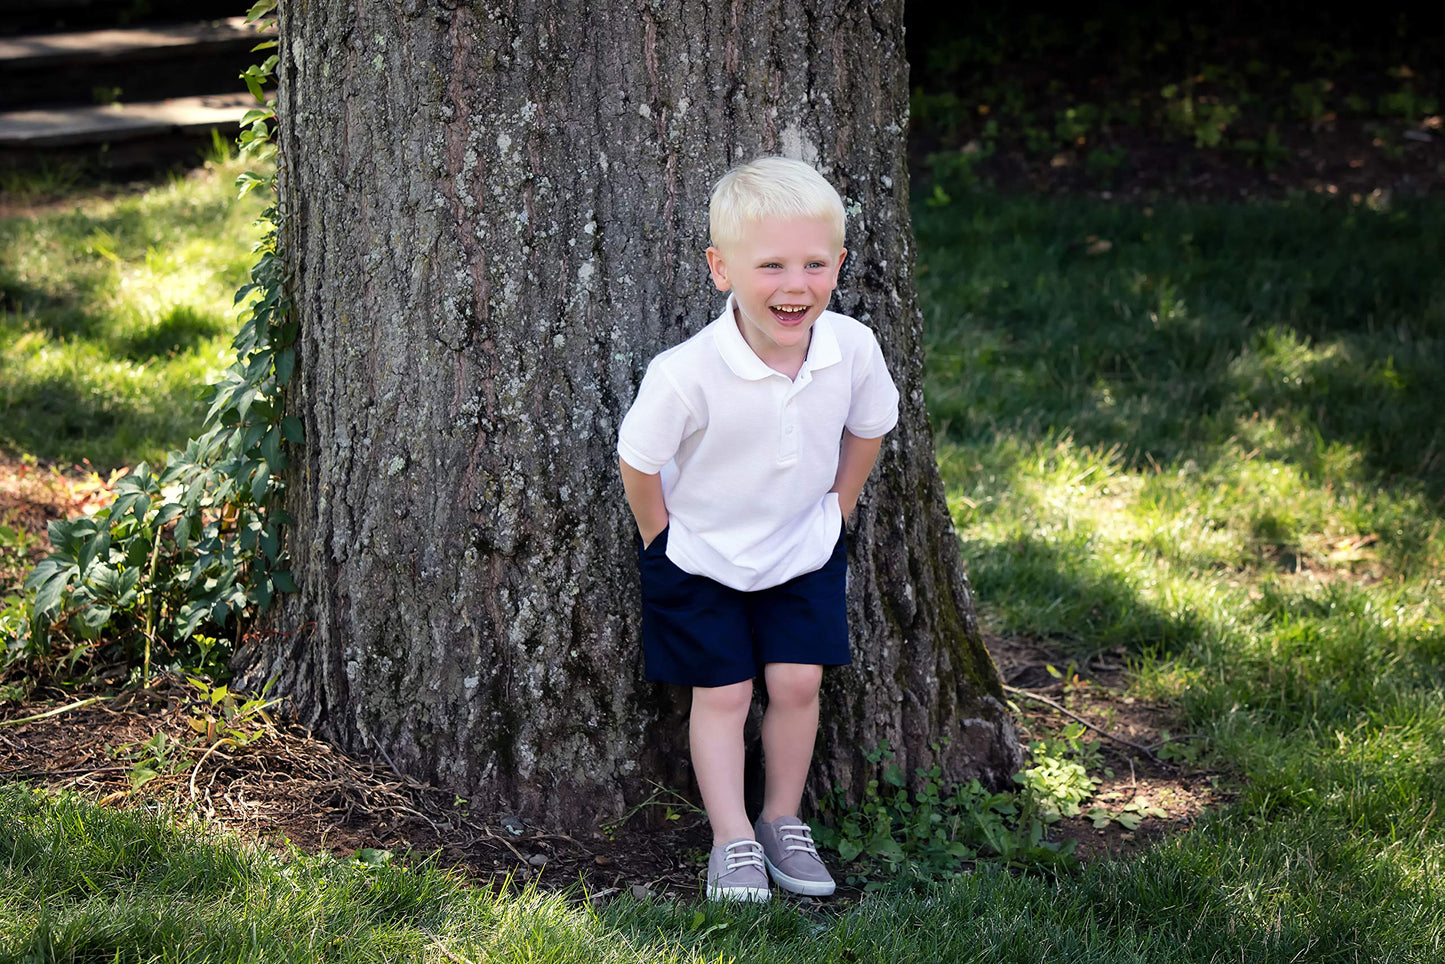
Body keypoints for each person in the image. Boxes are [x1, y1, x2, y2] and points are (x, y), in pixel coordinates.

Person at [617, 156, 899, 901]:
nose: (795, 286)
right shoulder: (686, 372)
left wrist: (838, 507)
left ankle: (780, 819)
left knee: (798, 682)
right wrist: (661, 542)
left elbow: (869, 429)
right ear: (721, 268)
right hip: (699, 553)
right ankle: (732, 838)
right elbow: (638, 461)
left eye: (814, 264)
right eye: (770, 265)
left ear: (838, 264)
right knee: (725, 692)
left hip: (802, 546)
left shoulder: (851, 349)